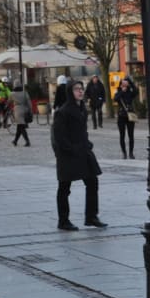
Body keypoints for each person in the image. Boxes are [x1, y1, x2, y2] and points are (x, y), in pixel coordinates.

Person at [50, 80, 106, 231]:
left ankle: (91, 216)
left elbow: (82, 131)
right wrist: (72, 149)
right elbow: (59, 137)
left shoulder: (82, 109)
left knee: (92, 182)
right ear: (70, 92)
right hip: (68, 154)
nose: (80, 91)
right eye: (76, 89)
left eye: (81, 89)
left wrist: (87, 144)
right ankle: (63, 220)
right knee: (64, 187)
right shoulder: (63, 111)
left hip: (84, 152)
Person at [114, 77, 139, 159]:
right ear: (121, 84)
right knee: (122, 135)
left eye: (126, 83)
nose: (124, 85)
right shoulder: (118, 91)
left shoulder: (130, 92)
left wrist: (130, 82)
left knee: (131, 135)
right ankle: (124, 153)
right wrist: (122, 91)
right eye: (123, 83)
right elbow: (116, 99)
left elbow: (136, 92)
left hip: (130, 115)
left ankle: (131, 153)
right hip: (121, 115)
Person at [9, 82, 32, 147]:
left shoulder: (12, 94)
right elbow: (29, 103)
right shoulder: (25, 93)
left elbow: (8, 102)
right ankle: (15, 141)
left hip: (17, 111)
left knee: (21, 127)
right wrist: (30, 110)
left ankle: (27, 141)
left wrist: (6, 106)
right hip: (25, 110)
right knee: (19, 127)